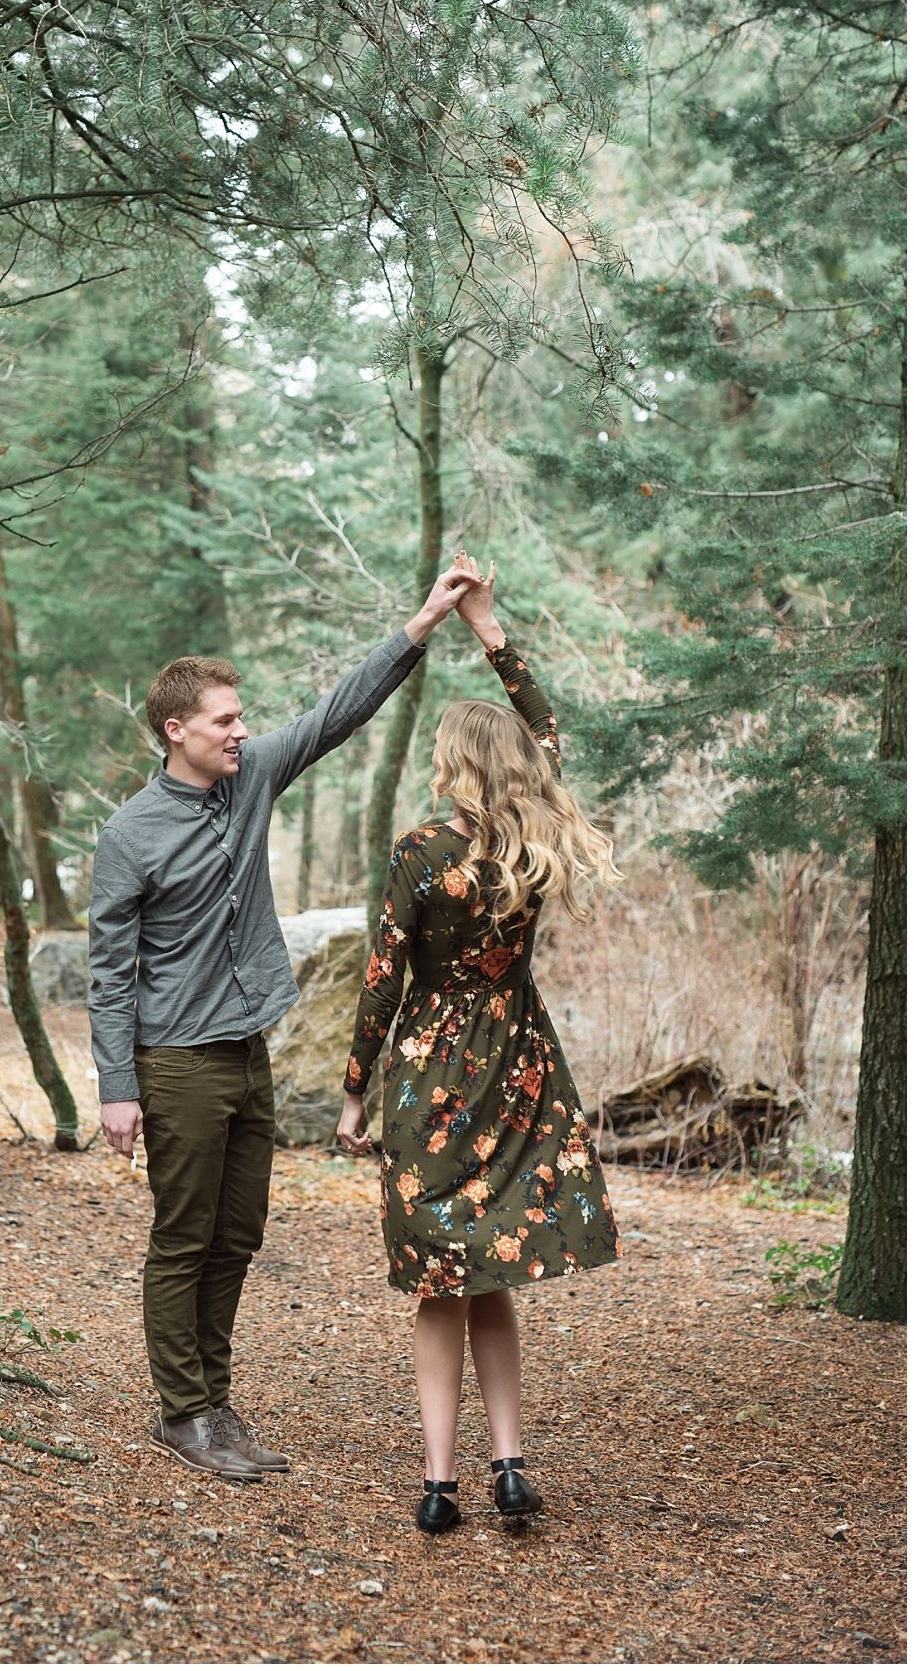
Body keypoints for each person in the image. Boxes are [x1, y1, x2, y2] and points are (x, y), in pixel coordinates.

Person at [88, 559, 479, 1481]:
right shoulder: (129, 835)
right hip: (175, 1060)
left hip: (248, 1049)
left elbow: (334, 714)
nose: (242, 730)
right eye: (225, 720)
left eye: (240, 718)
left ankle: (214, 1404)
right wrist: (115, 1087)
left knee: (240, 1233)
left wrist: (421, 623)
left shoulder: (250, 774)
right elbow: (109, 972)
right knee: (183, 1236)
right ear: (175, 730)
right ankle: (182, 1410)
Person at [335, 555, 620, 1534]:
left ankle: (437, 1481)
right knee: (488, 1272)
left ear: (453, 761)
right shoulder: (525, 843)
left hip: (429, 1074)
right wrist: (490, 629)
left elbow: (382, 978)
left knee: (437, 1285)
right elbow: (548, 735)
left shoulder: (421, 852)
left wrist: (350, 1092)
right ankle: (507, 1464)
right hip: (519, 1065)